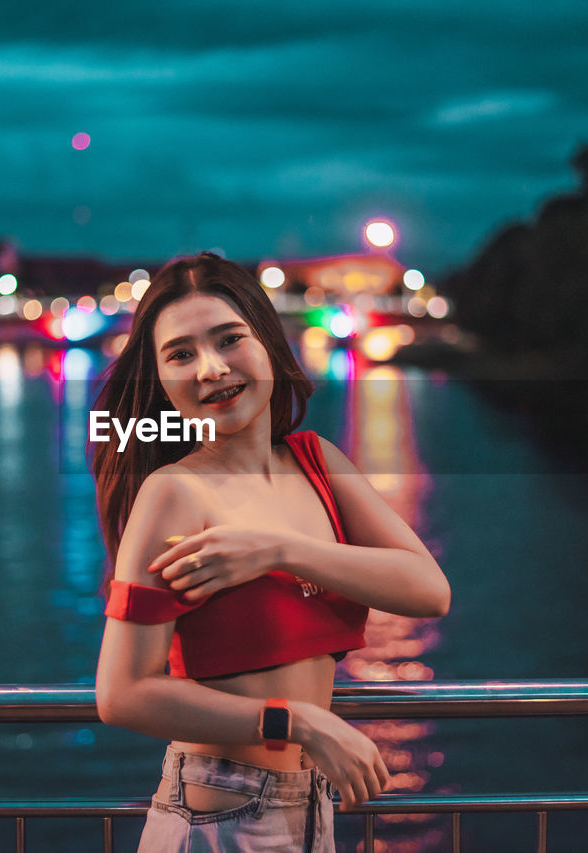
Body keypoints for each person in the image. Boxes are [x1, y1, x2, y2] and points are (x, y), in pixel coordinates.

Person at [92, 251, 450, 852]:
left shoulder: (316, 463)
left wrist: (278, 550)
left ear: (269, 346)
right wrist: (297, 722)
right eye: (181, 354)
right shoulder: (175, 492)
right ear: (159, 379)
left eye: (229, 340)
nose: (210, 368)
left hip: (311, 808)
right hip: (218, 816)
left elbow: (428, 590)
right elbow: (122, 693)